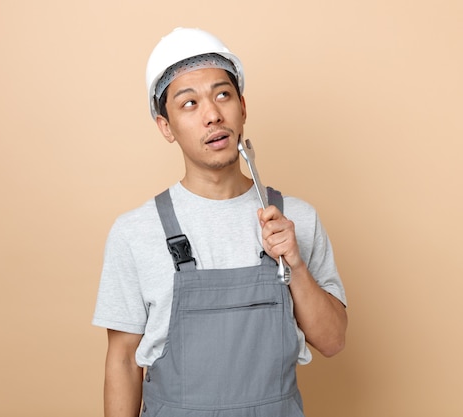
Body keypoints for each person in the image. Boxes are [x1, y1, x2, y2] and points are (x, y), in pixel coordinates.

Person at [92, 27, 348, 417]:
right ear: (166, 127)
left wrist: (293, 263)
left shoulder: (297, 219)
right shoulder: (135, 232)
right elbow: (124, 361)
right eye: (189, 103)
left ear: (242, 107)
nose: (212, 114)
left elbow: (332, 341)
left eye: (222, 94)